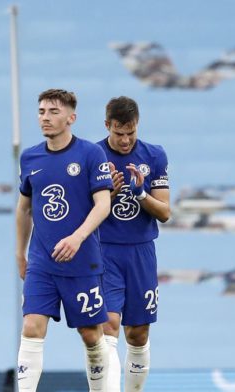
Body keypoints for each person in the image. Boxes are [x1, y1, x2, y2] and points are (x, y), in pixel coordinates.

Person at [15, 89, 113, 391]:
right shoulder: (30, 156)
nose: (45, 117)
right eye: (42, 111)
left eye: (53, 112)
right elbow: (24, 208)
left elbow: (103, 205)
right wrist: (20, 253)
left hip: (82, 261)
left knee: (91, 335)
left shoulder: (90, 154)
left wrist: (77, 237)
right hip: (42, 262)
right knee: (31, 327)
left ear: (71, 118)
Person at [97, 96, 170, 392]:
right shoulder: (93, 156)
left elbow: (165, 212)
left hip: (141, 252)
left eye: (131, 133)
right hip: (104, 251)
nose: (125, 140)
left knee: (137, 334)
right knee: (108, 327)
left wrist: (141, 194)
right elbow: (83, 212)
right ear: (107, 126)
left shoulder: (154, 155)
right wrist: (109, 194)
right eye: (119, 133)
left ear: (137, 125)